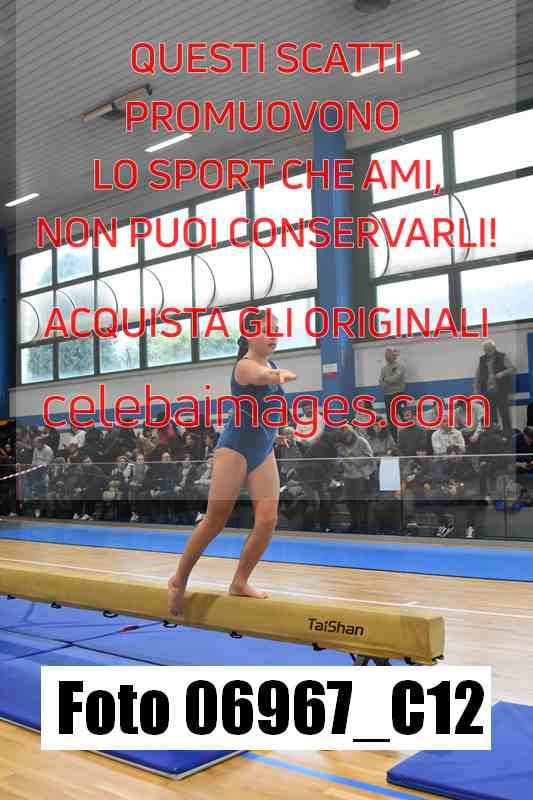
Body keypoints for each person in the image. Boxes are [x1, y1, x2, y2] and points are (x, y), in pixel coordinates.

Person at [168, 309, 296, 616]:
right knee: (216, 520)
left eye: (277, 329)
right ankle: (178, 579)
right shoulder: (245, 366)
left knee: (267, 519)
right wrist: (279, 375)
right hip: (235, 447)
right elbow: (260, 378)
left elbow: (267, 405)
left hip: (263, 448)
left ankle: (240, 581)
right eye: (267, 330)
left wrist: (277, 432)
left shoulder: (272, 365)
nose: (274, 335)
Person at [474, 340, 515, 435]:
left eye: (488, 349)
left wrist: (502, 373)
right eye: (485, 350)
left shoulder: (502, 356)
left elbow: (512, 369)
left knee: (504, 414)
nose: (487, 352)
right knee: (492, 416)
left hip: (502, 391)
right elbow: (477, 376)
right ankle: (496, 436)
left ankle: (507, 434)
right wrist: (476, 390)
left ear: (494, 348)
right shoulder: (482, 359)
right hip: (488, 392)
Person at [379, 348, 406, 439]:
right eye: (385, 354)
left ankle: (410, 436)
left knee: (404, 416)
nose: (386, 356)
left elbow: (396, 378)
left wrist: (386, 380)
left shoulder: (400, 366)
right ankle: (394, 440)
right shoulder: (383, 369)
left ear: (394, 356)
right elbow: (381, 383)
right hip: (387, 396)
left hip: (399, 394)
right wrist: (388, 381)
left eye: (388, 354)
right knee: (390, 419)